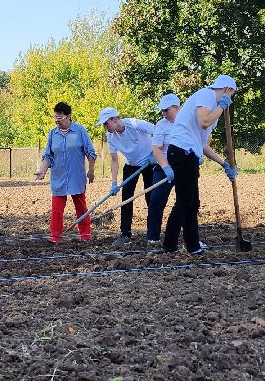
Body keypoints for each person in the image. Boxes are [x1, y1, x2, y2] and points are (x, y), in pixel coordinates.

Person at [162, 75, 240, 256]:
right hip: (181, 152)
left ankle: (193, 246)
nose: (231, 98)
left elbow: (203, 144)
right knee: (184, 202)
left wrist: (224, 164)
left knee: (192, 203)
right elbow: (203, 121)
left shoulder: (213, 108)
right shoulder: (207, 95)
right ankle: (169, 246)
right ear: (227, 89)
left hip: (188, 154)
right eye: (232, 94)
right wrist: (221, 106)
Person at [36, 102, 97, 242]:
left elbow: (90, 152)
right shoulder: (53, 133)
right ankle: (55, 236)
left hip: (76, 176)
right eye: (55, 117)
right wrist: (42, 170)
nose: (57, 120)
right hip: (58, 177)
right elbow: (48, 156)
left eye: (60, 117)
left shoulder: (80, 131)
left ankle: (85, 235)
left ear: (68, 116)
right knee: (57, 209)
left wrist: (91, 170)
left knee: (81, 207)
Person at [97, 106, 158, 245]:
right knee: (126, 198)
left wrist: (155, 154)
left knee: (151, 198)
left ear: (114, 119)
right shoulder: (110, 136)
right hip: (131, 164)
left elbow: (159, 133)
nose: (105, 127)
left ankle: (152, 234)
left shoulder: (135, 124)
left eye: (106, 123)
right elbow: (114, 160)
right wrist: (113, 182)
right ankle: (125, 234)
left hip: (149, 162)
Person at [144, 93, 182, 246]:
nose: (164, 114)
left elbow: (203, 137)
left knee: (186, 202)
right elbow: (157, 148)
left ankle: (191, 238)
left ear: (177, 107)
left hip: (183, 167)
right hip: (163, 167)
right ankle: (153, 237)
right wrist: (166, 167)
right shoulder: (161, 124)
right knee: (156, 200)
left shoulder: (188, 121)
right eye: (162, 111)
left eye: (167, 110)